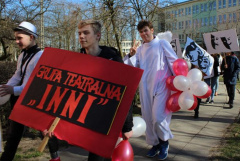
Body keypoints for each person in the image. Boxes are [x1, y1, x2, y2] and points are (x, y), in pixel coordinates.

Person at [45, 19, 133, 161]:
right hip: (86, 121)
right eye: (79, 33)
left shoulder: (113, 60)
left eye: (86, 33)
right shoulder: (76, 61)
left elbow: (125, 94)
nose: (81, 36)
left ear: (97, 36)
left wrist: (127, 126)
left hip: (106, 122)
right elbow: (68, 93)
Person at [124, 20, 178, 160]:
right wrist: (131, 55)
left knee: (159, 117)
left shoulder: (161, 44)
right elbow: (133, 67)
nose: (143, 34)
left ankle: (164, 142)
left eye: (146, 30)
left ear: (152, 30)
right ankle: (155, 144)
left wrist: (178, 80)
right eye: (141, 32)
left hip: (161, 85)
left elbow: (173, 61)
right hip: (145, 86)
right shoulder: (141, 49)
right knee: (148, 118)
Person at [0, 21, 43, 161]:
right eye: (16, 38)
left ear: (31, 37)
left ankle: (55, 156)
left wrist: (13, 89)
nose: (17, 41)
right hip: (20, 99)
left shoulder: (40, 56)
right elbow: (18, 75)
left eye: (20, 38)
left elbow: (34, 85)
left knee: (44, 131)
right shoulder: (22, 55)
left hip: (34, 101)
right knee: (14, 135)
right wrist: (6, 88)